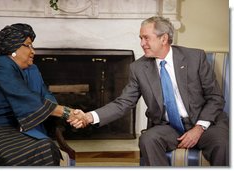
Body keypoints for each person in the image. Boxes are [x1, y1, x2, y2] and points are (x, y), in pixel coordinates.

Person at [68, 16, 229, 166]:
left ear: (163, 38)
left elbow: (215, 97)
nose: (142, 43)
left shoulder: (195, 58)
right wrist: (89, 117)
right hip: (169, 127)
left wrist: (199, 128)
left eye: (146, 38)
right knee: (148, 139)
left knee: (222, 143)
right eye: (141, 38)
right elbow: (124, 103)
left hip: (205, 123)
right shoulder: (138, 68)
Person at [0, 23, 82, 166]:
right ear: (13, 47)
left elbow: (46, 95)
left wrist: (68, 113)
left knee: (46, 146)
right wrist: (67, 112)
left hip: (20, 130)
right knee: (38, 150)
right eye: (28, 45)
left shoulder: (32, 70)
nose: (33, 51)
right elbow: (25, 97)